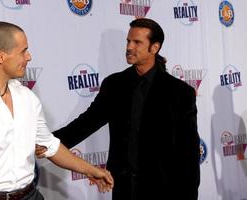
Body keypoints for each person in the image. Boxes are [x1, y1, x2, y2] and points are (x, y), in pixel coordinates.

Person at [0, 21, 113, 200]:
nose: (29, 57)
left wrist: (92, 170)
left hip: (30, 195)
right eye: (23, 51)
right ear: (0, 57)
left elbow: (50, 145)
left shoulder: (27, 98)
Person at [38, 18, 200, 199]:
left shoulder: (179, 92)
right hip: (124, 188)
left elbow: (189, 152)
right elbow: (86, 123)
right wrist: (46, 143)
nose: (130, 47)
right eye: (128, 41)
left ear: (155, 47)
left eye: (137, 42)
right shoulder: (115, 84)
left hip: (164, 188)